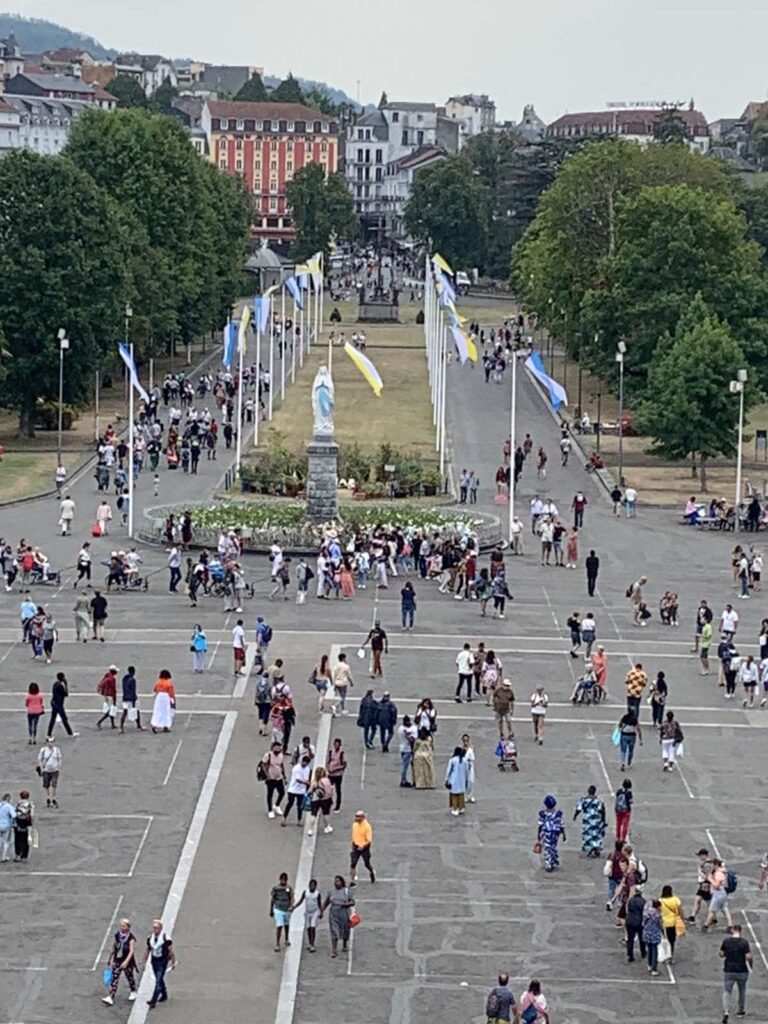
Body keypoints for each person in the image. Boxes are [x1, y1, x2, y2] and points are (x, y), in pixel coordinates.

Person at [720, 923, 752, 1022]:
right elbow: (749, 956)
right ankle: (740, 1011)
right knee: (742, 991)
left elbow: (721, 954)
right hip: (742, 970)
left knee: (727, 991)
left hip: (729, 970)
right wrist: (750, 966)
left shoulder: (726, 941)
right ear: (740, 931)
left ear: (733, 930)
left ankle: (726, 1011)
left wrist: (726, 954)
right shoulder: (744, 942)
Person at [101, 918, 138, 1006]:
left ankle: (133, 990)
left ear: (128, 927)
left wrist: (126, 962)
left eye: (124, 926)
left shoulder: (131, 938)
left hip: (127, 961)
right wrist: (110, 958)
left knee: (129, 976)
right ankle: (111, 996)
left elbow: (131, 951)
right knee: (114, 978)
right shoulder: (118, 935)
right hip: (117, 959)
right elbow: (114, 946)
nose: (122, 927)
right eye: (121, 926)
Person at [142, 919, 176, 1008]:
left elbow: (171, 951)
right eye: (154, 928)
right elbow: (147, 949)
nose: (154, 929)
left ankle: (153, 1000)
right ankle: (164, 993)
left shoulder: (166, 939)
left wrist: (173, 962)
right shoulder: (151, 938)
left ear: (160, 929)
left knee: (158, 981)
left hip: (162, 961)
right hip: (154, 960)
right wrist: (144, 961)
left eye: (156, 928)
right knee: (159, 979)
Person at [322, 875, 355, 958]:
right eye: (335, 881)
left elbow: (352, 902)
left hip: (344, 914)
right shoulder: (331, 892)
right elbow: (326, 903)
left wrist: (345, 904)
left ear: (342, 882)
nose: (336, 883)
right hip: (333, 914)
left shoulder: (346, 891)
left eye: (338, 881)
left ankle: (344, 944)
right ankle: (334, 950)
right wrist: (321, 911)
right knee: (334, 931)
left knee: (345, 930)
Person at [573, 785, 606, 858]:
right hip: (597, 820)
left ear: (588, 791)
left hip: (587, 821)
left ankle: (589, 849)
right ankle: (596, 849)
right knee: (597, 835)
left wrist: (575, 816)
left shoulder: (583, 800)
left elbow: (578, 809)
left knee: (588, 836)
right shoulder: (599, 800)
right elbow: (602, 810)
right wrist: (603, 820)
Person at [537, 794, 566, 872]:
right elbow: (561, 824)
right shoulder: (558, 814)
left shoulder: (543, 814)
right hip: (556, 833)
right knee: (553, 846)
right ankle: (554, 860)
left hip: (546, 833)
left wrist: (538, 834)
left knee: (547, 848)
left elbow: (540, 825)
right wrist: (564, 834)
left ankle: (549, 864)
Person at [292, 878, 322, 953]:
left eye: (313, 886)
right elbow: (301, 901)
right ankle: (309, 942)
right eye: (311, 885)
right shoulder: (306, 892)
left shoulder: (317, 894)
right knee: (308, 928)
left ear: (315, 886)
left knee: (312, 927)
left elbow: (319, 904)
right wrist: (294, 907)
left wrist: (321, 912)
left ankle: (312, 944)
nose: (312, 887)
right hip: (308, 912)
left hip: (315, 912)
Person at [47, 671, 78, 740]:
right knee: (64, 719)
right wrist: (66, 685)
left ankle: (49, 734)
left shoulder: (55, 684)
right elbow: (66, 694)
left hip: (54, 702)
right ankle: (70, 733)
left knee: (53, 719)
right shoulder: (60, 686)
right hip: (59, 704)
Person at [282, 754, 311, 826]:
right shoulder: (296, 768)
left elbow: (306, 778)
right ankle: (284, 819)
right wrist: (307, 783)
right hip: (293, 789)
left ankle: (299, 820)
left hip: (301, 791)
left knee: (300, 806)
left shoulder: (307, 769)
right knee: (290, 803)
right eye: (304, 762)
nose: (305, 764)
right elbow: (298, 780)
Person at [705, 858, 734, 930]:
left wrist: (710, 879)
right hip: (722, 893)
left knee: (712, 910)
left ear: (716, 865)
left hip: (718, 893)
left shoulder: (718, 874)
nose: (711, 866)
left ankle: (706, 925)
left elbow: (716, 885)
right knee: (725, 909)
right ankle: (730, 925)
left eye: (712, 864)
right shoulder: (721, 872)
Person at [269, 872, 294, 952]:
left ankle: (286, 939)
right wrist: (271, 909)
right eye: (282, 880)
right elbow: (273, 899)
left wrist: (292, 906)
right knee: (279, 926)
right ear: (280, 880)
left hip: (287, 909)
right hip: (278, 909)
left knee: (286, 925)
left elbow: (291, 897)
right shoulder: (276, 888)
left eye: (285, 880)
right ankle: (277, 943)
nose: (283, 881)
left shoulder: (289, 888)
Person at [349, 809, 375, 885]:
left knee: (367, 864)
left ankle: (372, 872)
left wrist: (363, 846)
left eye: (358, 817)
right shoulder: (355, 825)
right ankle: (352, 880)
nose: (356, 818)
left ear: (362, 817)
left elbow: (369, 840)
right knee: (353, 864)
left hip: (364, 848)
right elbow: (354, 836)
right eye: (356, 816)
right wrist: (353, 845)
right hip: (356, 847)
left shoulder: (367, 827)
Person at [660, 884, 684, 963]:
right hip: (673, 923)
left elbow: (657, 912)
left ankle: (665, 956)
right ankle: (671, 957)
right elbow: (680, 910)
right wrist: (681, 920)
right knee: (672, 941)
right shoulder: (675, 899)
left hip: (664, 923)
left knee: (664, 941)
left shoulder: (660, 901)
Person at [38, 736, 62, 808]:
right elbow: (39, 759)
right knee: (46, 785)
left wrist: (58, 767)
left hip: (55, 770)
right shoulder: (43, 750)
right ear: (46, 743)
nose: (50, 743)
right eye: (49, 742)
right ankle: (48, 797)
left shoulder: (57, 750)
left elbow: (59, 759)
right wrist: (41, 768)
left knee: (54, 785)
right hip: (46, 770)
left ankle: (53, 798)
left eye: (52, 742)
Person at [445, 746, 469, 816]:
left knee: (454, 795)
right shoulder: (465, 760)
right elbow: (467, 771)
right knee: (461, 794)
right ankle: (461, 808)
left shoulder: (452, 760)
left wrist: (446, 779)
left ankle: (455, 809)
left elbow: (448, 771)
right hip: (462, 780)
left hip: (453, 780)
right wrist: (466, 779)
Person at [119, 665, 144, 733]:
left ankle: (121, 727)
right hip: (131, 698)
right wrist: (133, 702)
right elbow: (133, 691)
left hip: (125, 697)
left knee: (125, 712)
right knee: (137, 711)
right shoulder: (132, 680)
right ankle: (138, 726)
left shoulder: (124, 679)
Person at [642, 898, 663, 976]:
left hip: (647, 933)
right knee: (655, 951)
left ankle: (649, 965)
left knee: (649, 949)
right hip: (655, 934)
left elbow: (643, 922)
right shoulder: (658, 915)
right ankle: (654, 968)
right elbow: (660, 925)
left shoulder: (647, 913)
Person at [13, 790, 34, 861]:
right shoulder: (30, 804)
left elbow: (14, 812)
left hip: (18, 822)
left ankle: (17, 854)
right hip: (26, 822)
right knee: (25, 839)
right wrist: (32, 823)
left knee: (17, 839)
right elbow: (32, 815)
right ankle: (24, 856)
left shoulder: (18, 803)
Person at [96, 665, 118, 730]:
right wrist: (114, 699)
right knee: (111, 710)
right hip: (110, 695)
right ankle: (100, 721)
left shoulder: (106, 676)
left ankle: (112, 724)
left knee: (111, 709)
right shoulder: (112, 679)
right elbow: (113, 689)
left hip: (106, 695)